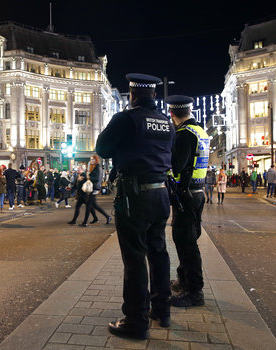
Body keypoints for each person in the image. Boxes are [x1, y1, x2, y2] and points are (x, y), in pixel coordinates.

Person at [96, 73, 175, 339]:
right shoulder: (166, 122)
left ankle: (136, 320)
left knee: (134, 259)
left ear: (132, 95)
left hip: (134, 195)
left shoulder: (125, 119)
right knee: (159, 252)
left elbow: (102, 149)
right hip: (161, 193)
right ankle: (162, 310)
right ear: (154, 95)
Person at [166, 94, 209, 309]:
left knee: (185, 242)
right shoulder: (199, 131)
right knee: (188, 239)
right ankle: (184, 280)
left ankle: (194, 291)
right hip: (198, 191)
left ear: (172, 113)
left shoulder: (183, 134)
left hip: (186, 194)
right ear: (190, 112)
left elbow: (178, 165)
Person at [80, 154, 112, 226]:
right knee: (94, 205)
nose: (91, 160)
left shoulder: (98, 168)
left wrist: (89, 177)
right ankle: (104, 217)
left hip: (94, 188)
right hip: (93, 187)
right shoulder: (93, 167)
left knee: (88, 205)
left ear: (96, 160)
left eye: (93, 159)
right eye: (91, 159)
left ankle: (85, 222)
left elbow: (97, 179)